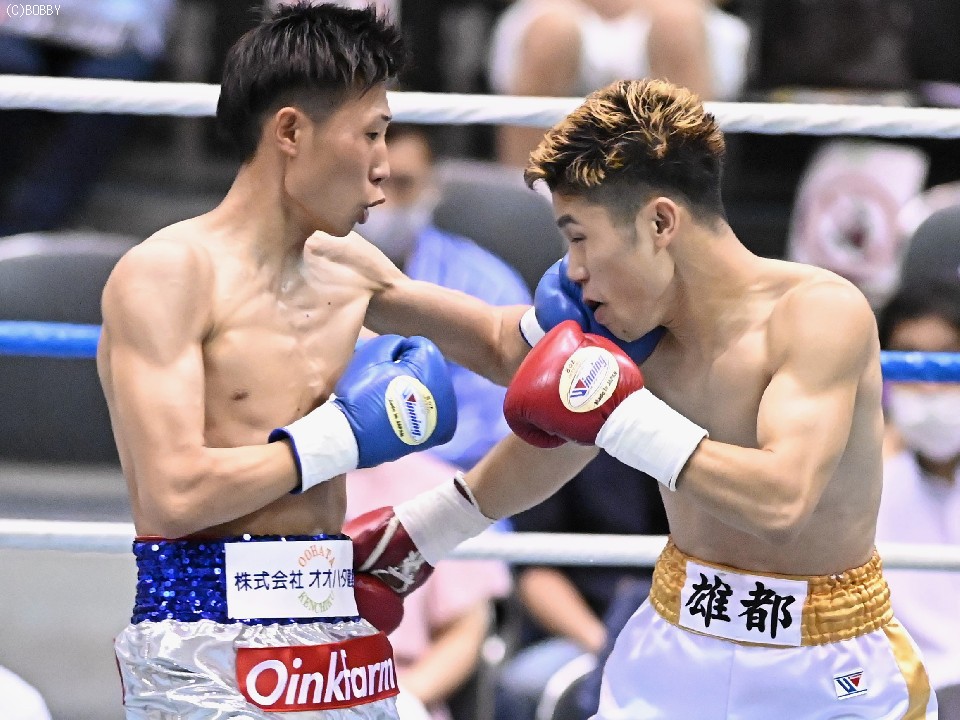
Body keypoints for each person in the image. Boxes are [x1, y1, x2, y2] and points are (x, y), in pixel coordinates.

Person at [316, 77, 937, 718]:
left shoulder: (818, 314)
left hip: (826, 663)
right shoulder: (633, 322)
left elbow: (781, 500)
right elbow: (508, 352)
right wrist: (380, 296)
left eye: (579, 237)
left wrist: (615, 413)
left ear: (659, 222)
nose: (572, 269)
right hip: (678, 642)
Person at [96, 4, 462, 717]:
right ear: (291, 132)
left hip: (338, 631)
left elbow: (510, 346)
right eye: (372, 133)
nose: (385, 166)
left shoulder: (351, 265)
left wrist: (621, 289)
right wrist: (341, 437)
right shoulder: (169, 272)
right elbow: (174, 496)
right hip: (205, 633)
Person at [360, 123, 532, 469]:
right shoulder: (294, 276)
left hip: (451, 479)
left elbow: (500, 419)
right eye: (371, 181)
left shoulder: (488, 285)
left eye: (401, 184)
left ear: (432, 187)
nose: (383, 201)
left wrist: (400, 465)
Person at [493, 450, 668, 720]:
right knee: (524, 686)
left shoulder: (699, 441)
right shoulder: (558, 441)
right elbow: (535, 573)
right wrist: (604, 646)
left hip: (677, 629)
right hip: (580, 633)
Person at [346, 453, 511, 720]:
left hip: (394, 689)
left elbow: (465, 630)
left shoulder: (434, 486)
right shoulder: (274, 485)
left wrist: (404, 700)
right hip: (281, 684)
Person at [487, 0, 749, 166]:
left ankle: (685, 205)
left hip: (668, 9)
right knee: (551, 32)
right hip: (566, 8)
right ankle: (527, 210)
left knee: (676, 24)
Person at [0, 0, 176, 236]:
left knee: (109, 88)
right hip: (23, 23)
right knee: (9, 66)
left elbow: (137, 17)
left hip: (120, 35)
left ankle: (26, 227)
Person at [876, 284, 960, 720]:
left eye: (948, 358)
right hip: (903, 691)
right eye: (909, 359)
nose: (930, 384)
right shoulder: (865, 481)